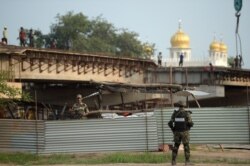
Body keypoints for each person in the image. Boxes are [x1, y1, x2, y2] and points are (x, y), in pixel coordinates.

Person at [168, 100, 194, 166]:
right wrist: (190, 125)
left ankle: (173, 162)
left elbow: (170, 123)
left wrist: (173, 129)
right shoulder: (187, 113)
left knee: (176, 146)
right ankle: (187, 162)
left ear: (178, 105)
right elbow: (190, 123)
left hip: (177, 132)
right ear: (184, 105)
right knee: (186, 147)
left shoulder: (175, 113)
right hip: (185, 132)